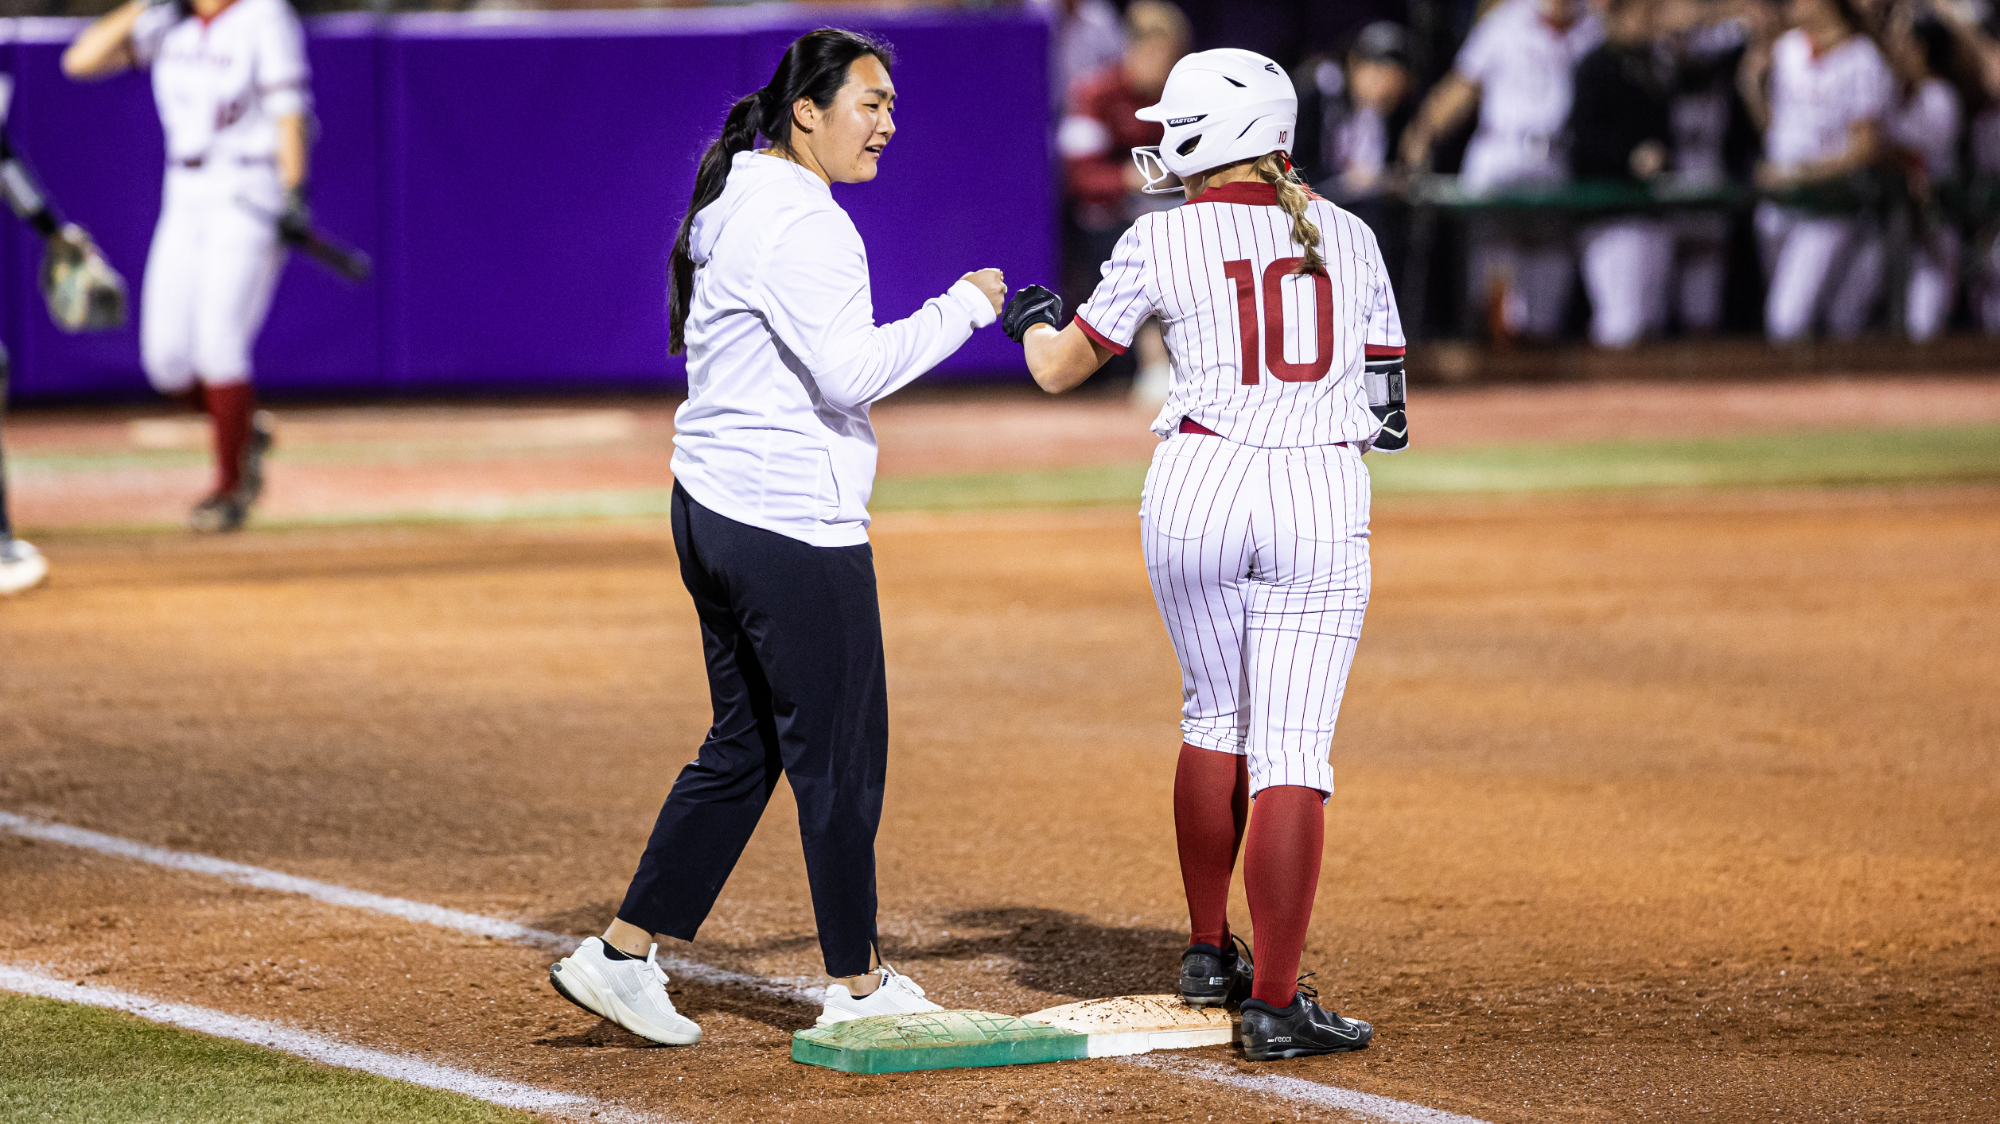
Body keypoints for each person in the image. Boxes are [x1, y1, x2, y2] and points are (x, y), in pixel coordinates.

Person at [545, 29, 1006, 1047]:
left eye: (891, 106)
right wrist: (964, 308)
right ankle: (857, 978)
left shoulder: (739, 195)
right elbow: (850, 373)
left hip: (711, 507)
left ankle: (618, 954)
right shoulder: (804, 221)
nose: (886, 123)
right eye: (868, 103)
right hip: (787, 522)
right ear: (807, 109)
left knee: (744, 745)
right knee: (840, 754)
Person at [1000, 47, 1405, 1062]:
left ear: (1208, 135)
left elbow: (1056, 372)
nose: (1158, 139)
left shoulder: (1159, 237)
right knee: (1291, 751)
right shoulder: (1350, 235)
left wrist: (1034, 319)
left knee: (1211, 714)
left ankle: (1201, 949)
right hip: (1314, 484)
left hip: (1195, 482)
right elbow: (1386, 416)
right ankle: (1271, 1003)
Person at [63, 0, 311, 533]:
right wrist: (138, 6)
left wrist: (293, 194)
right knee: (166, 360)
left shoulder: (263, 16)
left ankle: (229, 487)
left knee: (219, 343)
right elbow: (80, 61)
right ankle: (243, 427)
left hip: (246, 189)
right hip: (184, 191)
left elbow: (289, 111)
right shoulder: (167, 22)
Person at [1401, 0, 1604, 341]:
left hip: (1556, 158)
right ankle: (1489, 369)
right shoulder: (1506, 21)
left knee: (1547, 285)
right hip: (1501, 152)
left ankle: (1537, 380)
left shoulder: (1593, 27)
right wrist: (1422, 132)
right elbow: (1463, 86)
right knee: (1495, 283)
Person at [1058, 0, 1190, 406]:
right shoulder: (1095, 94)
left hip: (1178, 216)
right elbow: (1080, 174)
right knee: (1139, 250)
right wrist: (1126, 180)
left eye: (1165, 54)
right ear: (1128, 48)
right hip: (1112, 217)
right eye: (1147, 50)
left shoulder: (1187, 99)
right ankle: (1153, 363)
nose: (1156, 63)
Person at [1739, 0, 1894, 341]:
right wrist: (1753, 91)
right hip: (1780, 198)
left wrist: (1802, 173)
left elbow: (1866, 148)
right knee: (1825, 318)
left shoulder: (1862, 57)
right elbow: (1778, 130)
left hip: (1830, 203)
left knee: (1789, 319)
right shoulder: (1787, 49)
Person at [1570, 0, 1677, 348]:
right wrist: (1629, 158)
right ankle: (1605, 400)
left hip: (1650, 208)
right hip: (1609, 212)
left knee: (1649, 320)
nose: (1648, 21)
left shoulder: (1654, 63)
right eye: (1640, 12)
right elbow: (1584, 140)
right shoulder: (1594, 66)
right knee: (1620, 322)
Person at [1293, 23, 1418, 296]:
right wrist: (1348, 180)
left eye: (1395, 79)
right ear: (1355, 65)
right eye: (1377, 73)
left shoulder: (1391, 112)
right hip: (1309, 207)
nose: (1386, 86)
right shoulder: (1317, 96)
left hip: (1361, 210)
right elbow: (1294, 168)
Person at [1886, 12, 1963, 341]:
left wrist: (1875, 146)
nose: (1897, 50)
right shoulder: (1904, 96)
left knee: (1926, 323)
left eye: (1905, 43)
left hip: (1937, 220)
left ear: (1921, 48)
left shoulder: (1940, 97)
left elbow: (1914, 155)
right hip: (1899, 223)